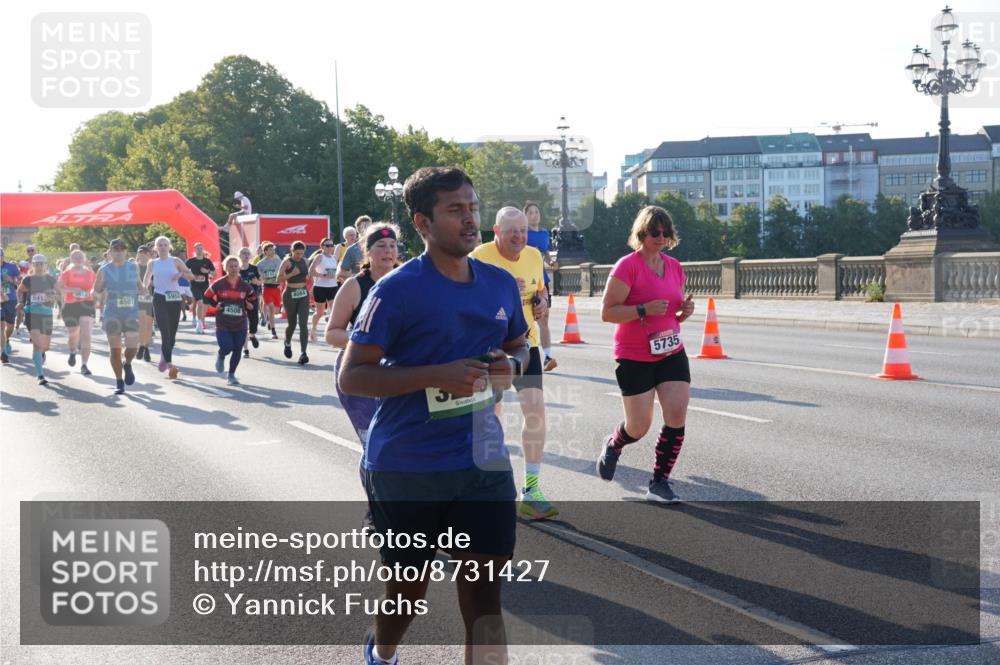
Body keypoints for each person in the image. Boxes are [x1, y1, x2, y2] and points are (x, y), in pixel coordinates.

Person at [339, 167, 528, 665]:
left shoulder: (500, 285)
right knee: (408, 592)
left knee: (485, 598)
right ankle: (381, 653)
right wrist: (434, 374)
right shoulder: (396, 291)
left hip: (482, 463)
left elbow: (520, 346)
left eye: (473, 208)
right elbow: (352, 377)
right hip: (407, 466)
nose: (470, 221)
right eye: (455, 210)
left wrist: (514, 365)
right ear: (423, 222)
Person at [597, 205, 696, 503]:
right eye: (655, 232)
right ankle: (614, 444)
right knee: (639, 427)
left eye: (666, 232)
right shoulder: (627, 266)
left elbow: (670, 312)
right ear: (642, 233)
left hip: (670, 349)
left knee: (676, 413)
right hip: (634, 355)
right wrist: (642, 309)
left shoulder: (675, 267)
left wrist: (683, 312)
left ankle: (659, 481)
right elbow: (607, 312)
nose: (661, 237)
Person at [472, 206, 557, 520]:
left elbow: (542, 290)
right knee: (490, 416)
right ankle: (486, 487)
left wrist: (542, 303)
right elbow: (464, 301)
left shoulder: (534, 255)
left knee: (535, 411)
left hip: (526, 343)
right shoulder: (478, 257)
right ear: (496, 232)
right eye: (512, 232)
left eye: (523, 231)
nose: (519, 237)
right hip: (489, 347)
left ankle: (531, 489)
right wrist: (500, 295)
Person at [326, 222, 401, 444]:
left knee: (405, 442)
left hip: (402, 369)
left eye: (392, 245)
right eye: (381, 245)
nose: (388, 251)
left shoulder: (410, 281)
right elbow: (332, 334)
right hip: (361, 370)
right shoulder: (354, 286)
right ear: (367, 251)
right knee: (376, 441)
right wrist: (369, 341)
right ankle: (372, 476)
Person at [93, 239, 147, 394]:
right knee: (115, 350)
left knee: (132, 346)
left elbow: (139, 284)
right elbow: (96, 289)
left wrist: (143, 290)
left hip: (131, 312)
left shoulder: (133, 267)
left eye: (122, 248)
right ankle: (119, 381)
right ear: (110, 252)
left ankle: (128, 363)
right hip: (112, 313)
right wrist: (93, 296)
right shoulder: (104, 270)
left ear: (125, 252)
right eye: (116, 249)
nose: (119, 251)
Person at [145, 235, 196, 380]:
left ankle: (164, 354)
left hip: (174, 298)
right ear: (155, 248)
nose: (162, 247)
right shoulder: (152, 263)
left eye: (165, 245)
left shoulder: (175, 261)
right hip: (159, 298)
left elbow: (190, 276)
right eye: (159, 245)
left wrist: (180, 274)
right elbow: (147, 279)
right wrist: (143, 289)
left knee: (172, 335)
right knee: (164, 332)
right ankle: (169, 364)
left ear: (169, 247)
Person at [204, 255, 257, 385]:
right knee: (227, 347)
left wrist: (248, 305)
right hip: (223, 322)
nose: (233, 269)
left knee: (238, 348)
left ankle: (231, 375)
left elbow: (252, 299)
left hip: (240, 322)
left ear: (239, 268)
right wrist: (216, 305)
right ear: (225, 268)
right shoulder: (220, 283)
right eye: (230, 266)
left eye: (235, 266)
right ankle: (221, 355)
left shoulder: (244, 285)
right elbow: (206, 296)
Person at [524, 202, 557, 371]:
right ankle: (524, 352)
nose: (535, 215)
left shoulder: (544, 233)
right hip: (525, 278)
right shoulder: (523, 233)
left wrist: (551, 261)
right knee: (525, 319)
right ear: (526, 216)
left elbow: (544, 252)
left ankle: (547, 357)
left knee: (544, 319)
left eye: (537, 212)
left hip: (541, 280)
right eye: (531, 212)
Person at [17, 254, 57, 384]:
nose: (39, 266)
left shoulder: (51, 279)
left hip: (46, 314)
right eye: (37, 264)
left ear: (46, 265)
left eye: (42, 264)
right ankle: (40, 375)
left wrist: (52, 298)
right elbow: (20, 291)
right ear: (33, 265)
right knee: (38, 344)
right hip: (31, 313)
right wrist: (21, 302)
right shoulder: (28, 279)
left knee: (45, 346)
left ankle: (40, 354)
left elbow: (58, 294)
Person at [57, 249, 96, 376]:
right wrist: (73, 289)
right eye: (75, 256)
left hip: (87, 305)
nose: (78, 258)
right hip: (71, 306)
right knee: (74, 334)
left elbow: (96, 288)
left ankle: (84, 364)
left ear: (84, 259)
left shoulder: (90, 273)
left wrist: (94, 294)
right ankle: (73, 351)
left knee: (86, 335)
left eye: (80, 256)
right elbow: (58, 287)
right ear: (71, 259)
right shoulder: (67, 273)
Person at [278, 241, 311, 365]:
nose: (299, 256)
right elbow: (278, 279)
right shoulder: (287, 262)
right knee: (292, 324)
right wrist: (291, 274)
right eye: (297, 253)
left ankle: (303, 353)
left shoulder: (306, 261)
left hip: (303, 293)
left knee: (303, 323)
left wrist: (309, 277)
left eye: (302, 253)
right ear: (292, 251)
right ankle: (287, 342)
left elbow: (308, 276)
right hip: (290, 294)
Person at [308, 237, 340, 342]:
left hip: (333, 287)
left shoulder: (334, 258)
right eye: (327, 245)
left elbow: (336, 273)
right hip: (320, 287)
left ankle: (331, 333)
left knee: (334, 310)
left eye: (332, 245)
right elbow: (311, 271)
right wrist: (322, 275)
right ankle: (313, 329)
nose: (330, 247)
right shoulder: (320, 257)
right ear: (322, 247)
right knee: (320, 312)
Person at [185, 242, 216, 334]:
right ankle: (199, 323)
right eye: (197, 248)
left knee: (205, 304)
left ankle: (202, 320)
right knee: (200, 303)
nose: (199, 250)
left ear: (203, 250)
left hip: (205, 285)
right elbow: (184, 272)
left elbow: (214, 274)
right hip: (195, 285)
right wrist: (192, 276)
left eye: (200, 248)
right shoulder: (190, 261)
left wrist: (207, 271)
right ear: (194, 250)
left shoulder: (207, 261)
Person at [237, 247, 262, 357]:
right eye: (243, 253)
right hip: (239, 300)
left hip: (252, 299)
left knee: (254, 324)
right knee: (243, 325)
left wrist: (257, 282)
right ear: (239, 256)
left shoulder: (254, 268)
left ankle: (252, 335)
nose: (246, 255)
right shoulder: (235, 269)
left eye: (248, 253)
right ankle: (245, 349)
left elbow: (262, 281)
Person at [256, 242, 282, 339]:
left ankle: (268, 319)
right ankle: (273, 331)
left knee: (276, 310)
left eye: (273, 249)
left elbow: (279, 273)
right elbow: (260, 276)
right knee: (271, 308)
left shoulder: (278, 261)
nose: (273, 251)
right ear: (265, 251)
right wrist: (263, 277)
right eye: (270, 249)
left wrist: (275, 275)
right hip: (267, 287)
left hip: (276, 288)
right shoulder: (260, 264)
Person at [135, 245, 155, 362]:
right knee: (141, 323)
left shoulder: (153, 266)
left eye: (145, 252)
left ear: (149, 254)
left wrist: (153, 282)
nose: (142, 254)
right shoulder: (133, 267)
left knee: (148, 326)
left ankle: (145, 347)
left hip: (151, 298)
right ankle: (141, 346)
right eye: (140, 252)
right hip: (137, 298)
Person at [1, 248, 21, 364]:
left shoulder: (12, 267)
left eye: (0, 256)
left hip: (10, 299)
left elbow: (20, 283)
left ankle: (7, 339)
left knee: (10, 325)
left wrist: (11, 281)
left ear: (3, 256)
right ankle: (3, 351)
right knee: (1, 325)